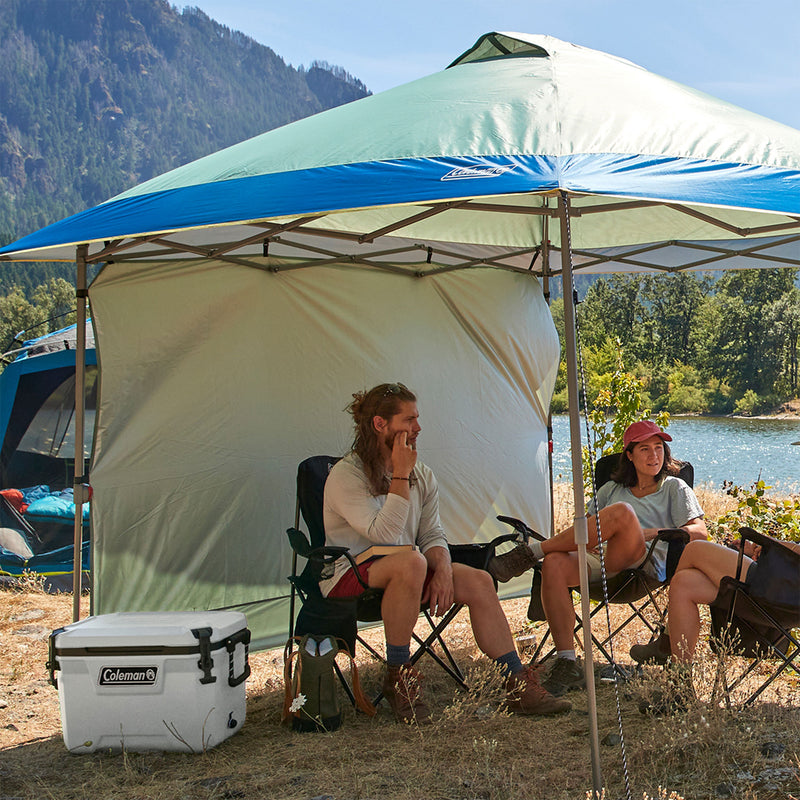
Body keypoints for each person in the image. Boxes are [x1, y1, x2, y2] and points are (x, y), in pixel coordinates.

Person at [321, 381, 571, 724]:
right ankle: (398, 677)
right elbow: (384, 534)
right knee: (411, 561)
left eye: (417, 418)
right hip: (350, 575)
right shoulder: (346, 475)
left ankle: (516, 685)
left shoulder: (421, 475)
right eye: (409, 420)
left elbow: (432, 534)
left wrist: (443, 569)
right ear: (380, 424)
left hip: (409, 569)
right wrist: (400, 474)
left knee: (479, 581)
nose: (418, 427)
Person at [488, 419, 708, 697]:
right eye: (644, 449)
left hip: (643, 567)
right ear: (629, 455)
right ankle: (568, 661)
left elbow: (700, 533)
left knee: (622, 513)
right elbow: (586, 531)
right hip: (603, 561)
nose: (654, 456)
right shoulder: (611, 490)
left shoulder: (674, 487)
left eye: (658, 448)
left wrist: (649, 532)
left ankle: (530, 552)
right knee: (554, 564)